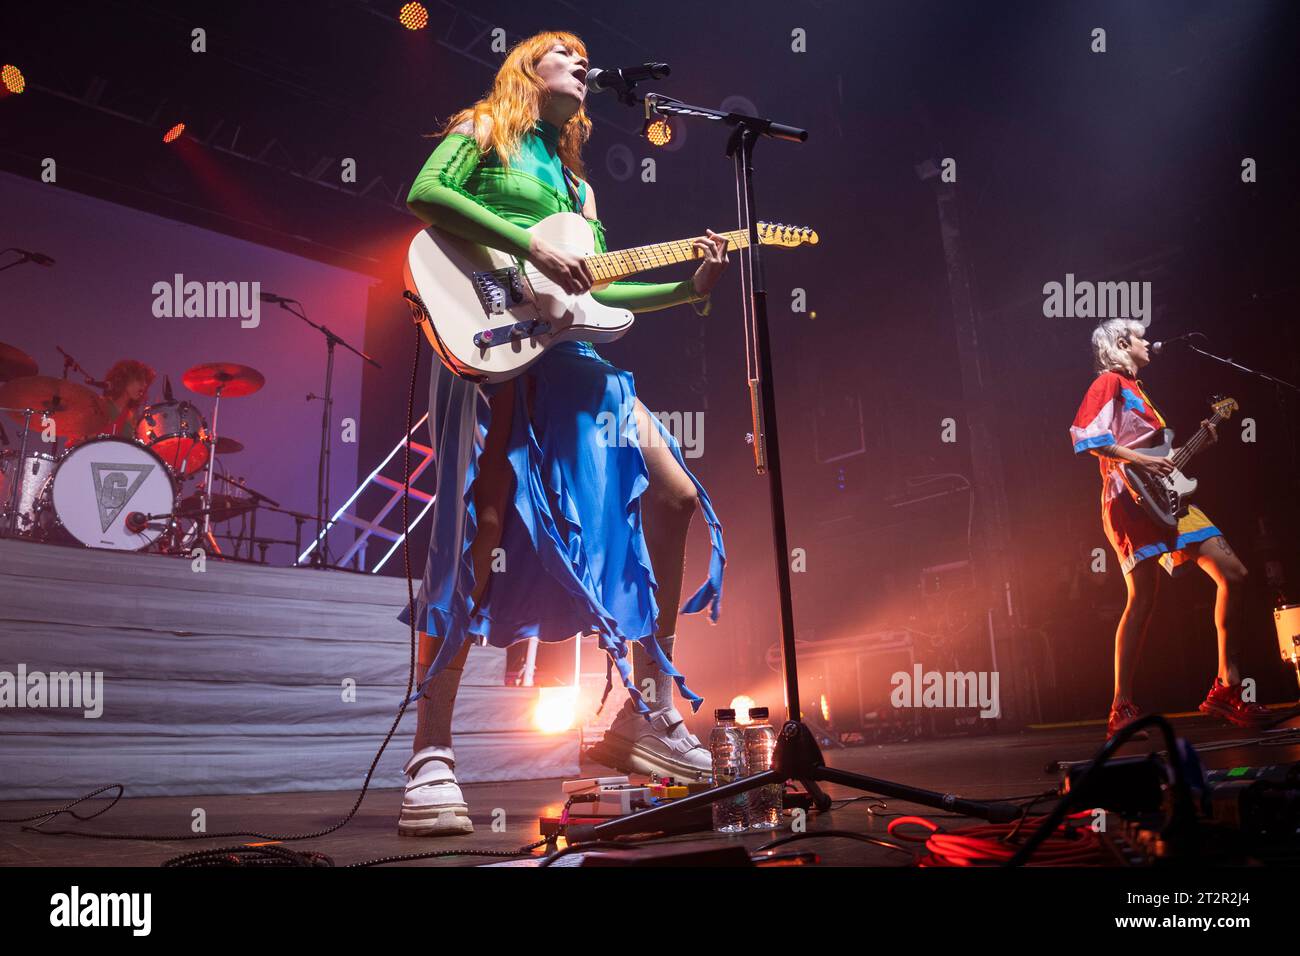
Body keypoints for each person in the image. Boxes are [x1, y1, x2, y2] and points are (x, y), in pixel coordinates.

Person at [396, 31, 731, 836]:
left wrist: (689, 289)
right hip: (491, 349)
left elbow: (597, 296)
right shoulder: (486, 128)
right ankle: (430, 756)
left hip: (574, 359)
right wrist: (527, 242)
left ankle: (643, 708)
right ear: (526, 71)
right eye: (564, 53)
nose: (582, 64)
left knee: (677, 494)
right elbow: (424, 196)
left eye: (586, 57)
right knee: (480, 532)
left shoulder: (580, 191)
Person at [1069, 319, 1271, 739]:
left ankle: (1226, 687)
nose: (1147, 344)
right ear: (1123, 344)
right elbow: (1084, 438)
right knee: (1142, 601)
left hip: (1170, 499)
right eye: (1140, 338)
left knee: (1234, 574)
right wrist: (1144, 462)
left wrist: (1199, 441)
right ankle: (1120, 705)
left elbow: (1159, 457)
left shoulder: (1139, 391)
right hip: (1128, 501)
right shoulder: (1108, 382)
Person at [100, 359, 155, 439]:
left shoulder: (134, 418)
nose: (144, 385)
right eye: (139, 380)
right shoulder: (102, 405)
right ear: (125, 379)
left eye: (146, 382)